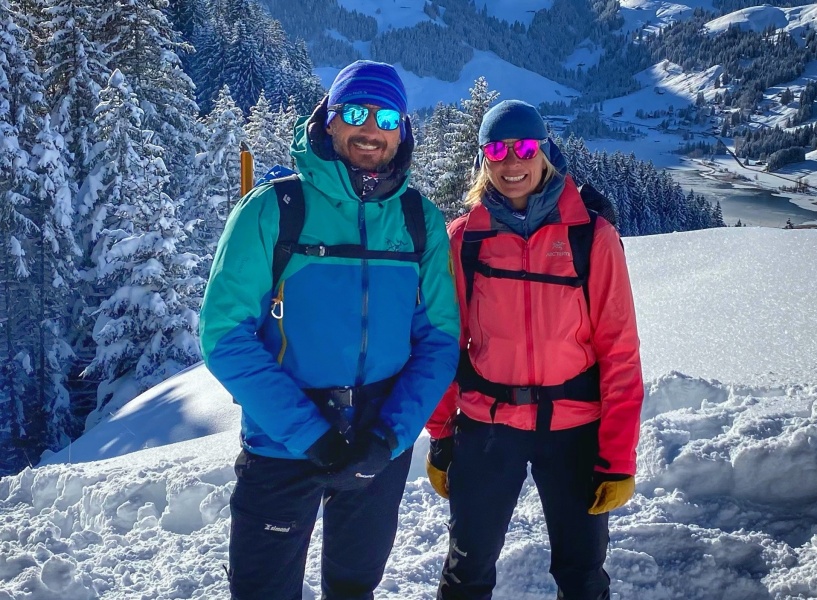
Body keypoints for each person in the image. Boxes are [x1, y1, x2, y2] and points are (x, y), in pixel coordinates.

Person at [199, 60, 459, 600]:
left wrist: (390, 435)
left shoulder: (419, 221)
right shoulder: (274, 209)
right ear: (329, 120)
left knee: (353, 586)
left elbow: (437, 341)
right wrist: (309, 435)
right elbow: (224, 336)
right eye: (356, 112)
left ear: (403, 130)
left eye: (387, 116)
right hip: (282, 442)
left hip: (376, 441)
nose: (371, 128)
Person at [424, 100, 643, 600]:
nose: (511, 162)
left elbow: (620, 350)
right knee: (466, 569)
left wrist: (617, 455)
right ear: (483, 158)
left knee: (582, 571)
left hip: (574, 428)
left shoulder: (590, 234)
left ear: (544, 151)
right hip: (487, 427)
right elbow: (443, 345)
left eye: (523, 147)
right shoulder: (464, 240)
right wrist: (441, 433)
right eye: (496, 150)